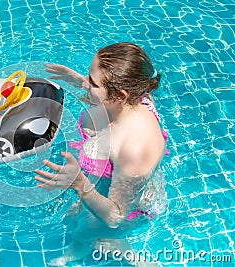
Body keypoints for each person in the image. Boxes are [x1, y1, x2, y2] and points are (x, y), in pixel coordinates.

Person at [34, 42, 168, 265]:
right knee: (73, 217)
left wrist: (79, 183)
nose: (86, 84)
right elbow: (105, 98)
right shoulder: (136, 96)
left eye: (92, 83)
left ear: (120, 95)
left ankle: (119, 248)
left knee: (83, 231)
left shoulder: (133, 147)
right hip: (112, 182)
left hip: (128, 208)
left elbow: (115, 216)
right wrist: (78, 81)